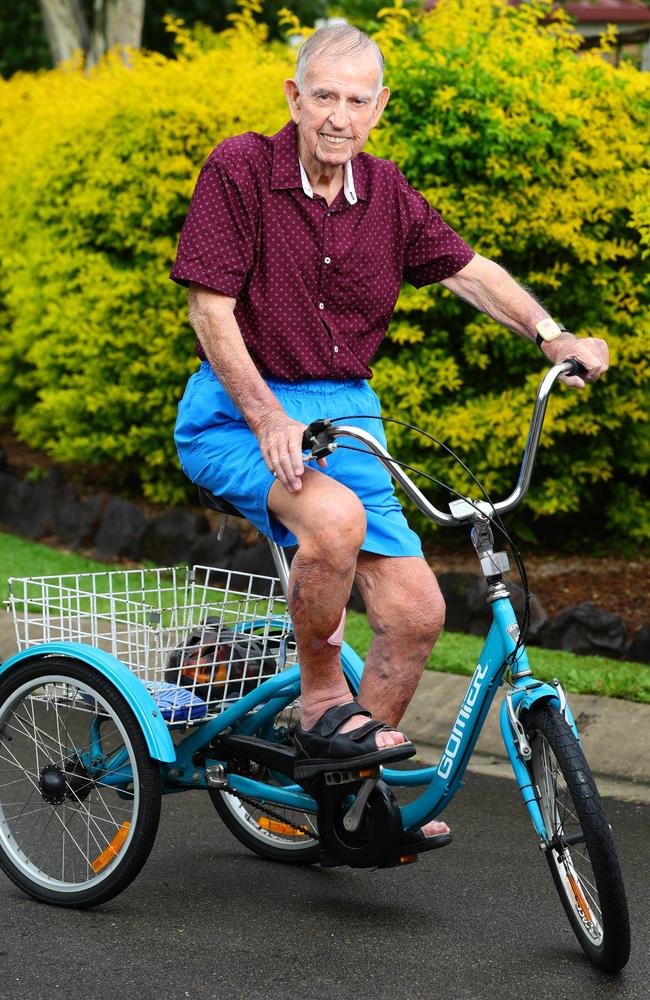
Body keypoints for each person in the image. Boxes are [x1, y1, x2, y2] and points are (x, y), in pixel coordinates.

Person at [170, 24, 608, 843]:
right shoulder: (240, 168)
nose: (340, 115)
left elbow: (471, 273)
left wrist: (552, 333)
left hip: (348, 416)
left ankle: (349, 805)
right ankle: (320, 700)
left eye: (357, 100)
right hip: (238, 413)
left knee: (415, 615)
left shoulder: (387, 193)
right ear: (295, 100)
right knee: (331, 521)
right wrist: (268, 415)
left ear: (380, 109)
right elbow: (209, 308)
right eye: (324, 96)